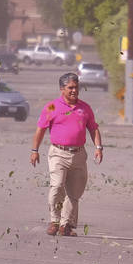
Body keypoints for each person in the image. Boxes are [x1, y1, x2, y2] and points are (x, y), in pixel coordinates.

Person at [29, 72, 103, 237]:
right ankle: (55, 221)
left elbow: (93, 128)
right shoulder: (52, 107)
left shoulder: (85, 108)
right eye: (70, 88)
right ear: (62, 89)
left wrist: (98, 147)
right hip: (58, 153)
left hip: (78, 154)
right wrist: (35, 150)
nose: (74, 90)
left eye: (76, 87)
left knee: (74, 193)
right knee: (57, 186)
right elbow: (40, 129)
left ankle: (66, 225)